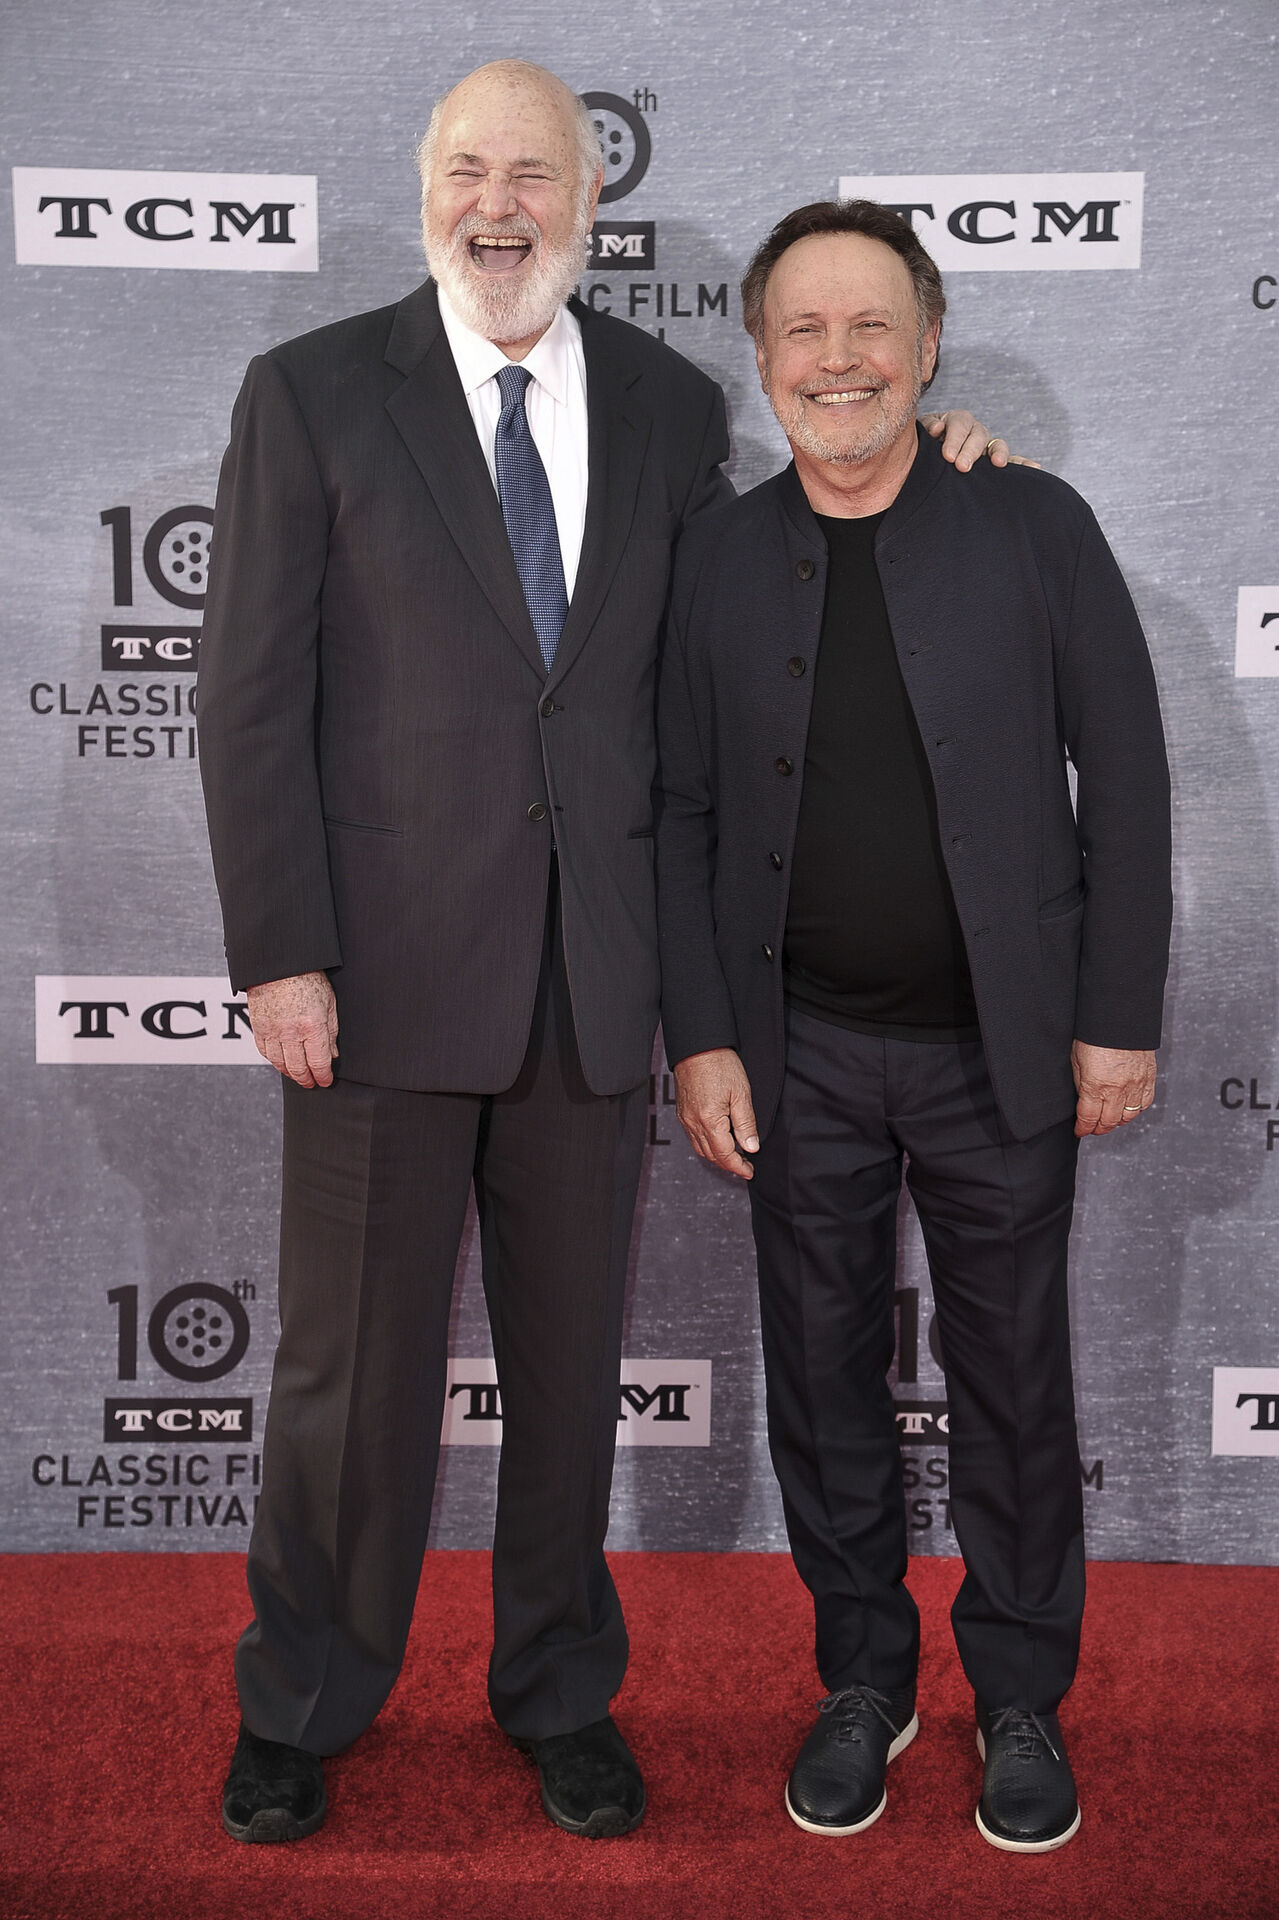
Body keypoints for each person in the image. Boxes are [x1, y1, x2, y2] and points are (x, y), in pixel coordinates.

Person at [198, 67, 1004, 1846]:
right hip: (378, 983)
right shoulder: (314, 391)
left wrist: (931, 470)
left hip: (596, 983)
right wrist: (279, 951)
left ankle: (560, 1688)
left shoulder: (666, 403)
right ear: (425, 191)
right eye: (470, 171)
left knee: (571, 1376)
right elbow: (247, 700)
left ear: (586, 200)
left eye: (535, 174)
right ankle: (308, 1698)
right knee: (349, 1379)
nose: (503, 205)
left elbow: (755, 596)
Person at [657, 199, 1172, 1854]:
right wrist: (704, 1034)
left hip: (999, 1052)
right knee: (819, 1378)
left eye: (872, 326)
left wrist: (1112, 1016)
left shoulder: (1036, 525)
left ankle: (1020, 1693)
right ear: (760, 360)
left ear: (929, 344)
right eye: (803, 331)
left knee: (1011, 1378)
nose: (839, 359)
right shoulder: (720, 556)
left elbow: (1133, 782)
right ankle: (863, 1680)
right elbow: (677, 810)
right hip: (791, 1047)